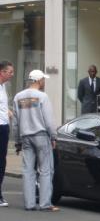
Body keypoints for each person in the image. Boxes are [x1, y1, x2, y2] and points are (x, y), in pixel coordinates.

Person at [13, 70, 58, 211]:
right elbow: (49, 120)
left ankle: (29, 203)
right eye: (43, 80)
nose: (44, 82)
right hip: (41, 136)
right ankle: (45, 203)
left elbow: (15, 122)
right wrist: (53, 136)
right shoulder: (42, 97)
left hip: (25, 137)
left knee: (27, 171)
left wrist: (17, 141)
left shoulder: (18, 97)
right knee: (45, 170)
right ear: (38, 81)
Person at [0, 60, 15, 207]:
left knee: (2, 160)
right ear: (2, 72)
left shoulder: (4, 86)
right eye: (10, 72)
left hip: (4, 126)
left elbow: (2, 105)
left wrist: (9, 112)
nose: (12, 74)